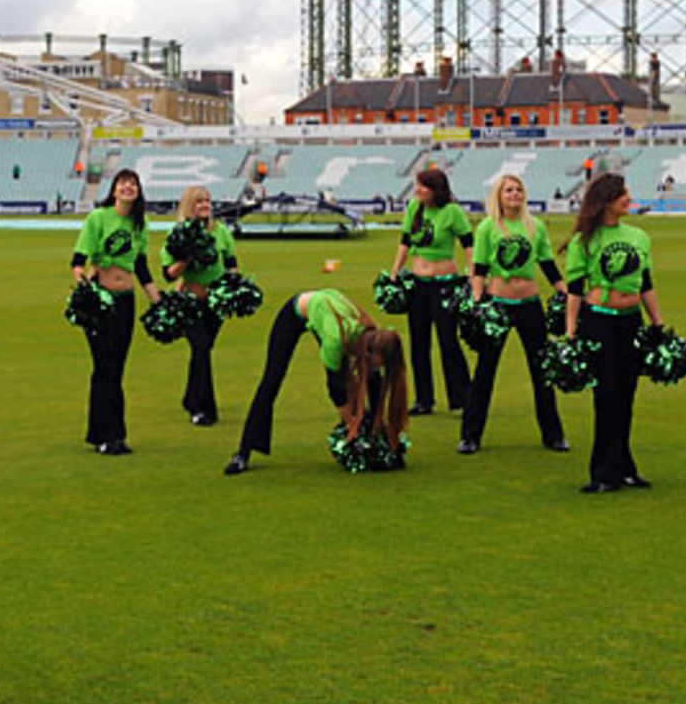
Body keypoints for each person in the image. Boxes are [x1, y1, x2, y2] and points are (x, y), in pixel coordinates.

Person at [223, 289, 407, 475]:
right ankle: (242, 454)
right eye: (375, 362)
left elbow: (375, 384)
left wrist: (385, 438)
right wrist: (351, 427)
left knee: (373, 379)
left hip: (329, 312)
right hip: (295, 313)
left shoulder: (373, 333)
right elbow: (335, 389)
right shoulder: (335, 340)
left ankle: (385, 443)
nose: (376, 366)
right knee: (271, 380)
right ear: (368, 352)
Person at [561, 173, 665, 493]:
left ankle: (625, 467)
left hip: (631, 321)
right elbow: (575, 290)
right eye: (623, 194)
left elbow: (645, 284)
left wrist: (658, 323)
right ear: (607, 200)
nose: (628, 199)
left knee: (627, 397)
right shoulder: (584, 242)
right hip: (599, 321)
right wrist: (570, 332)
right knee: (606, 397)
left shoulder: (638, 237)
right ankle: (603, 472)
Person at [458, 175, 569, 454]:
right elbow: (480, 268)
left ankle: (553, 435)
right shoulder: (487, 227)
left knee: (542, 370)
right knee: (485, 371)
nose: (514, 194)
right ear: (499, 195)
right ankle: (470, 436)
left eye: (519, 189)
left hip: (530, 305)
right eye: (509, 190)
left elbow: (547, 263)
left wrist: (566, 293)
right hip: (498, 304)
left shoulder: (535, 226)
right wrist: (478, 302)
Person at [71, 168, 161, 455]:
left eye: (133, 183)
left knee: (116, 369)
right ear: (114, 190)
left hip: (126, 301)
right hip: (102, 300)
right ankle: (107, 435)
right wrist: (88, 293)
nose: (128, 187)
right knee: (104, 367)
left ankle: (109, 434)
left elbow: (142, 267)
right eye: (123, 183)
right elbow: (78, 261)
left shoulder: (139, 224)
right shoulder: (98, 218)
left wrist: (158, 301)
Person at [390, 169, 473, 416]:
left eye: (422, 186)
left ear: (436, 189)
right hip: (418, 284)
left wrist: (472, 272)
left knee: (448, 340)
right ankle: (424, 399)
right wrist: (396, 269)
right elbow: (405, 241)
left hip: (445, 283)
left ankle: (462, 396)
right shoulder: (415, 208)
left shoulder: (452, 212)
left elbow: (468, 244)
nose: (417, 190)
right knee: (418, 342)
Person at [161, 185, 240, 426]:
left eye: (207, 201)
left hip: (216, 303)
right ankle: (204, 409)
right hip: (190, 302)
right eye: (198, 202)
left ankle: (190, 397)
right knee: (201, 347)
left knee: (202, 351)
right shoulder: (177, 234)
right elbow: (168, 274)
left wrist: (232, 289)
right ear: (188, 206)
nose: (205, 205)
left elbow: (232, 265)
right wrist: (186, 258)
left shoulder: (221, 232)